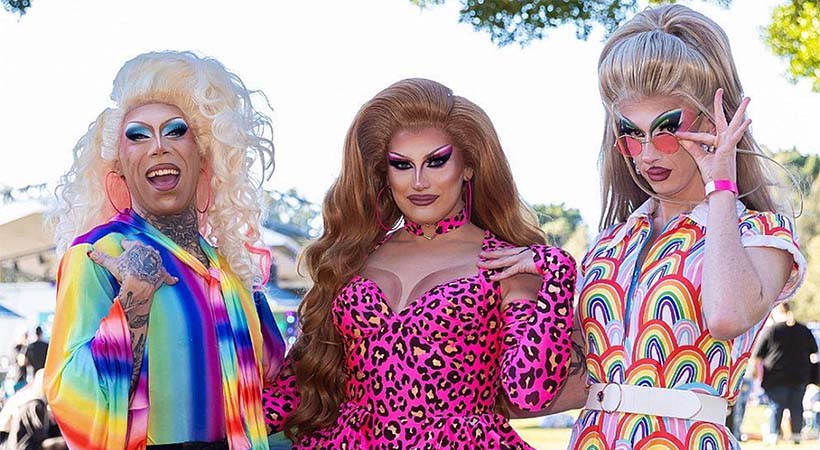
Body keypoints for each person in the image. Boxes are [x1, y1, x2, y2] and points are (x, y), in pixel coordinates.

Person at [496, 5, 806, 450]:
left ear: (713, 121)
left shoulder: (760, 233)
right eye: (629, 134)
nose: (646, 153)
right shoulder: (609, 243)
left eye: (664, 131)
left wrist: (721, 182)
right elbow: (578, 375)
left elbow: (726, 316)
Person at [261, 78, 577, 449]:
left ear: (469, 166)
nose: (419, 181)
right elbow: (291, 390)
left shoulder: (503, 264)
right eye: (401, 165)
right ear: (385, 173)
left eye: (436, 161)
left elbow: (529, 393)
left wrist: (559, 274)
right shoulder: (354, 257)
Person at [44, 51, 285, 450]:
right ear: (118, 165)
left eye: (176, 131)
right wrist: (134, 302)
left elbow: (278, 385)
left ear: (203, 153)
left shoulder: (229, 268)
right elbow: (73, 405)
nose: (158, 146)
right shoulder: (97, 254)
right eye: (138, 135)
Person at [753, 302, 818, 444]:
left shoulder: (772, 330)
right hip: (799, 376)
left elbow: (759, 356)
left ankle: (773, 435)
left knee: (776, 407)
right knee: (796, 407)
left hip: (776, 376)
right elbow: (814, 354)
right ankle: (796, 435)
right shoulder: (803, 330)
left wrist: (759, 377)